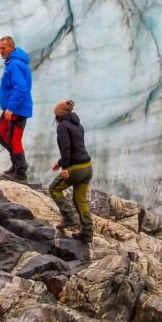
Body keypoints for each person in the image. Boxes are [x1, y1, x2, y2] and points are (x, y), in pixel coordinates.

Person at [48, 99, 93, 244]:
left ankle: (68, 218)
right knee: (80, 200)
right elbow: (77, 147)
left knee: (54, 189)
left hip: (76, 169)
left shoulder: (62, 126)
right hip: (87, 167)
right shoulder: (78, 125)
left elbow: (66, 148)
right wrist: (60, 162)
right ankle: (87, 234)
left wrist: (65, 168)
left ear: (59, 115)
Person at [0, 36, 33, 181]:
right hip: (15, 108)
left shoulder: (15, 64)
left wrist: (11, 108)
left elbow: (20, 88)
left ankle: (21, 171)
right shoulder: (13, 63)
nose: (0, 51)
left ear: (11, 47)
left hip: (17, 109)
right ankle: (17, 166)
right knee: (4, 135)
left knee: (10, 138)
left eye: (3, 48)